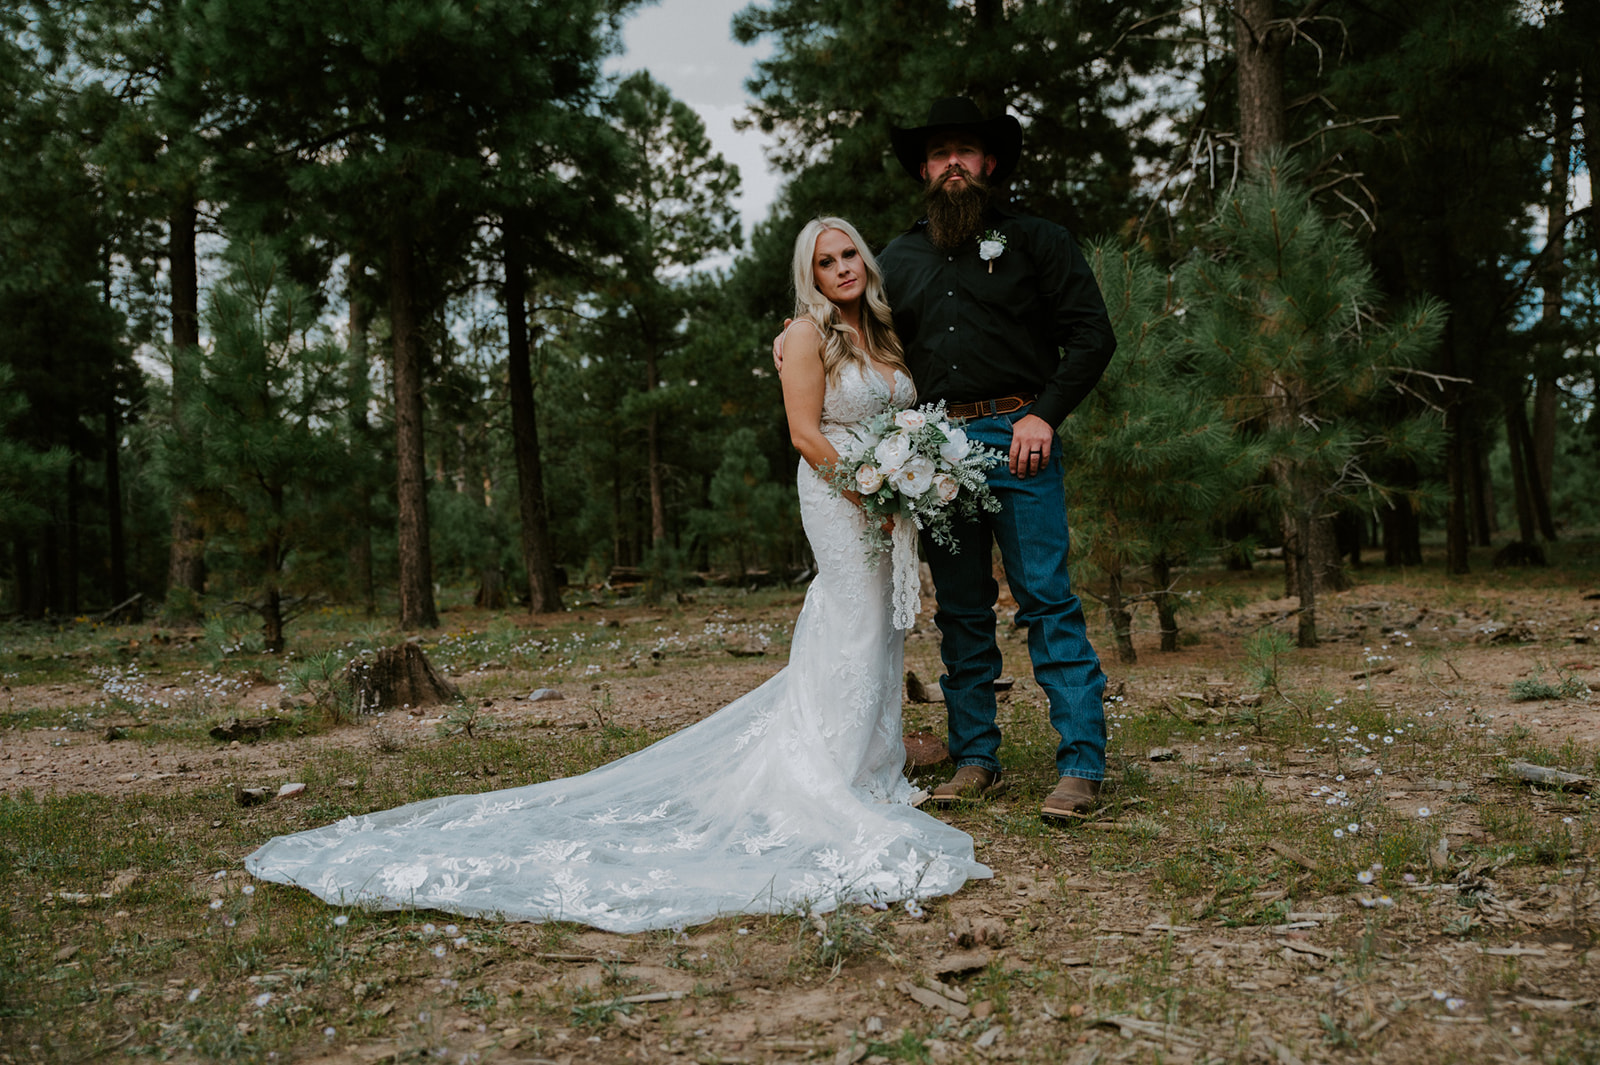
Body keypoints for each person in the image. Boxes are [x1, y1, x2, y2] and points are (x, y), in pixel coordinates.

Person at [243, 217, 990, 933]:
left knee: (876, 627)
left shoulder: (883, 333)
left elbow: (900, 415)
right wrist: (869, 487)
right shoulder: (804, 334)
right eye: (826, 262)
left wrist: (905, 479)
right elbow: (802, 431)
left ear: (866, 260)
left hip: (888, 495)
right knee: (852, 617)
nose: (842, 269)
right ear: (810, 275)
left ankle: (866, 758)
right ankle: (830, 771)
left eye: (849, 256)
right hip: (838, 491)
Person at [777, 99, 1115, 820]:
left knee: (1047, 600)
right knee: (962, 611)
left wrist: (1044, 414)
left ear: (989, 163)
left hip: (1019, 439)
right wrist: (791, 335)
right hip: (934, 458)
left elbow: (1092, 337)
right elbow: (849, 323)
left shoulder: (1038, 241)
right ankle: (975, 758)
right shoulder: (896, 260)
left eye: (965, 151)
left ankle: (1081, 764)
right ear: (926, 171)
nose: (952, 164)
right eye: (938, 155)